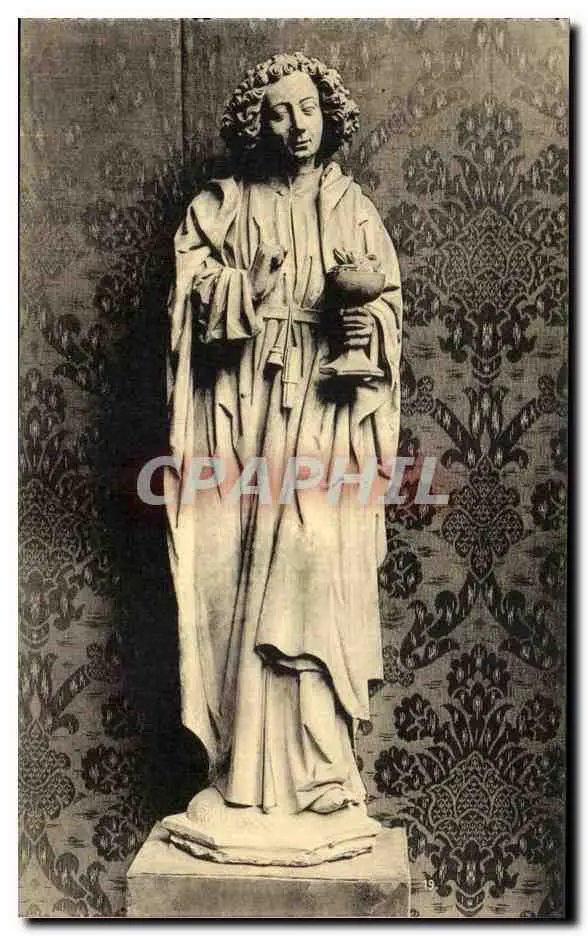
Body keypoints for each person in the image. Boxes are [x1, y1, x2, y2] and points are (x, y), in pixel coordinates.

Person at [165, 52, 402, 818]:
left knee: (314, 564)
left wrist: (367, 331)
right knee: (241, 574)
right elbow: (191, 295)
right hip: (245, 410)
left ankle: (322, 772)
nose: (296, 125)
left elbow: (384, 304)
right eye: (279, 112)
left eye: (307, 109)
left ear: (328, 116)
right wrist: (245, 289)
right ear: (255, 123)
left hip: (326, 411)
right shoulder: (224, 206)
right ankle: (243, 775)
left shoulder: (353, 208)